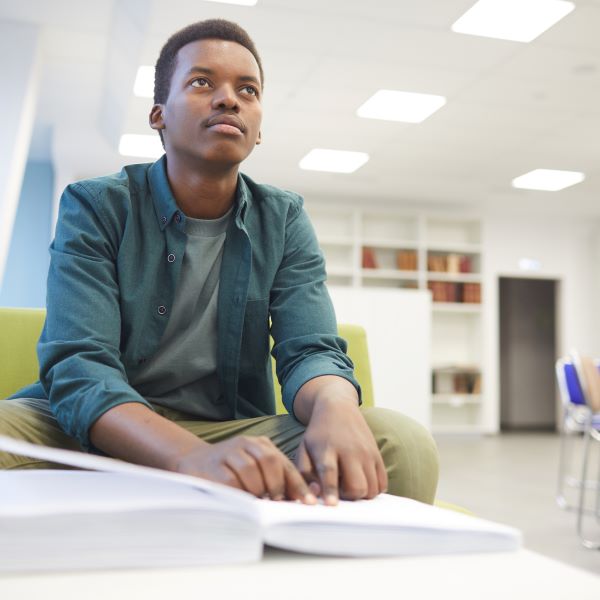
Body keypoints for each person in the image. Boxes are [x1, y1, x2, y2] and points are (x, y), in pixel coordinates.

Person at [0, 19, 439, 505]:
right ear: (158, 115)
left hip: (229, 432)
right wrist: (186, 457)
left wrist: (336, 406)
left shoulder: (284, 217)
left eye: (247, 90)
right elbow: (80, 366)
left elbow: (309, 347)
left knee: (399, 442)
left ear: (258, 128)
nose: (229, 98)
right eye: (202, 82)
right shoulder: (97, 205)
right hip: (104, 424)